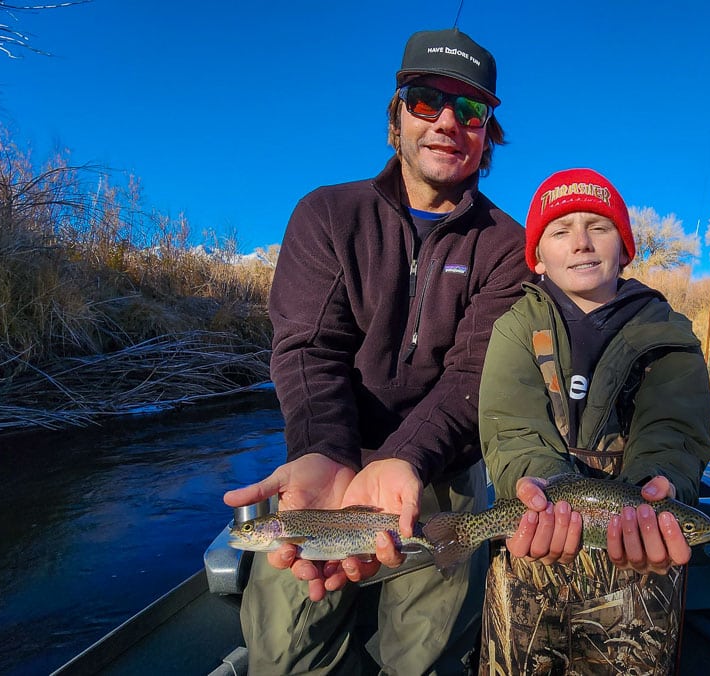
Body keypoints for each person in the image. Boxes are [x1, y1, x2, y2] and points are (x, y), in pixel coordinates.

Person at [223, 27, 533, 675]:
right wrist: (322, 449)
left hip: (443, 477)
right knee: (284, 654)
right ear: (395, 118)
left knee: (425, 659)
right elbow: (309, 349)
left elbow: (478, 374)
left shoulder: (509, 247)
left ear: (487, 137)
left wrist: (408, 459)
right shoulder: (328, 215)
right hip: (327, 473)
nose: (449, 121)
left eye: (472, 111)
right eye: (426, 100)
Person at [475, 168, 710, 675]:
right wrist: (535, 487)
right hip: (530, 551)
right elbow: (511, 430)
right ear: (538, 257)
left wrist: (658, 486)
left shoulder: (668, 334)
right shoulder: (515, 329)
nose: (581, 243)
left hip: (642, 570)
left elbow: (674, 431)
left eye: (598, 227)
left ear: (625, 248)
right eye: (560, 231)